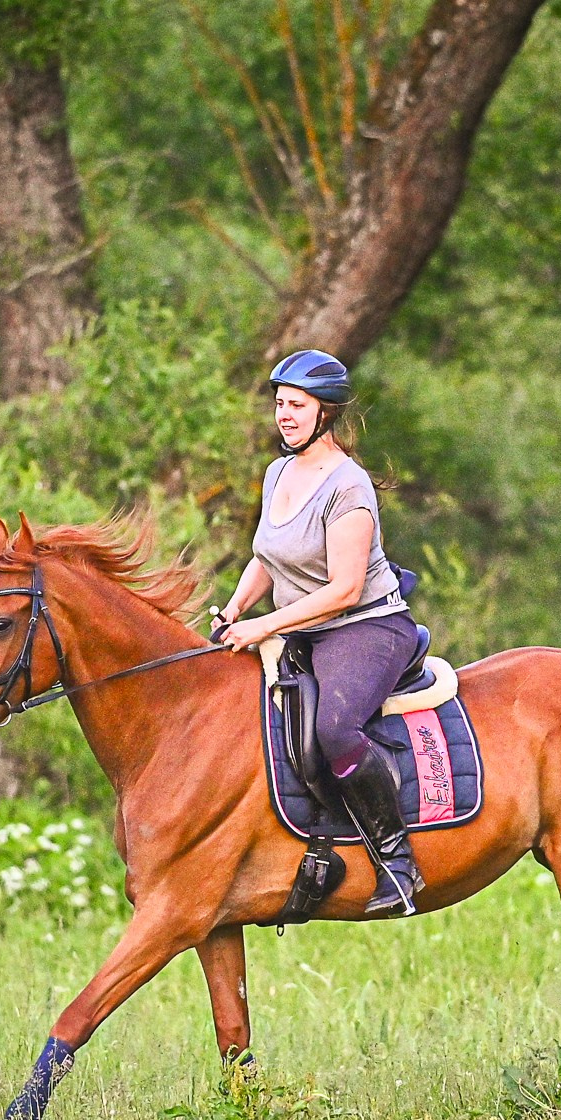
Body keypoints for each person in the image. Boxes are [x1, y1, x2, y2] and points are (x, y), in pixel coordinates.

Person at [213, 349, 424, 914]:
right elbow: (268, 556)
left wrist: (264, 625)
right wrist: (234, 610)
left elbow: (344, 590)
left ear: (325, 413)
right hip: (304, 629)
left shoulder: (349, 487)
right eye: (280, 404)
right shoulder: (278, 471)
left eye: (297, 405)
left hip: (366, 628)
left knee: (334, 728)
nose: (284, 415)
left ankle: (397, 861)